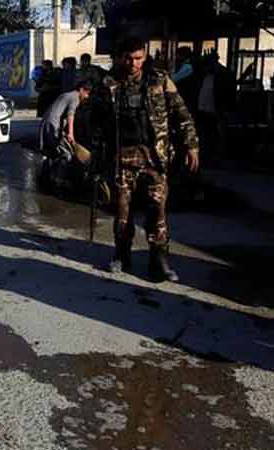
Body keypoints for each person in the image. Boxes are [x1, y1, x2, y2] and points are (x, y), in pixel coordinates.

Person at [105, 37, 200, 282]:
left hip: (155, 158)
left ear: (145, 56)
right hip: (122, 159)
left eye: (138, 58)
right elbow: (97, 123)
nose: (133, 63)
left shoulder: (159, 80)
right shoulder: (109, 83)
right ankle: (121, 255)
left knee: (157, 210)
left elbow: (182, 115)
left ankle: (159, 259)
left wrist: (191, 146)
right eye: (129, 58)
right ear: (121, 56)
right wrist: (96, 157)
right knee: (122, 211)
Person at [38, 80, 93, 191]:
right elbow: (70, 115)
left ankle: (45, 177)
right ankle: (58, 180)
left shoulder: (66, 94)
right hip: (52, 125)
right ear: (81, 89)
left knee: (51, 152)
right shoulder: (75, 97)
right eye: (87, 93)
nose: (87, 97)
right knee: (66, 154)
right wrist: (70, 133)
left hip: (47, 124)